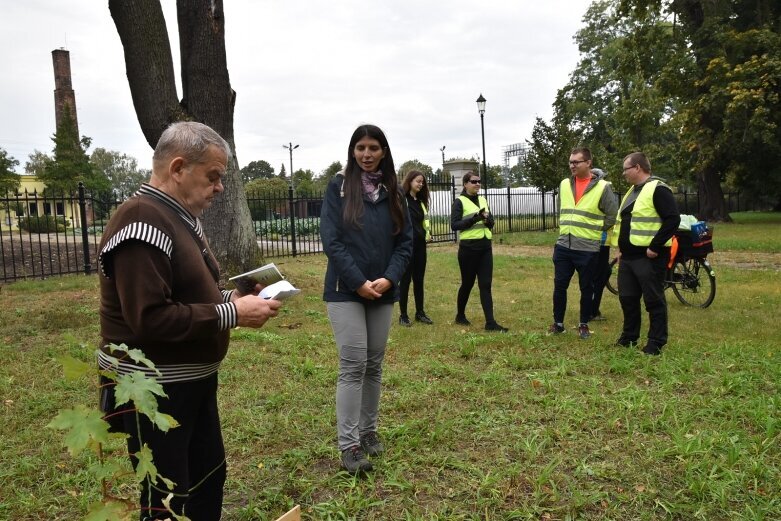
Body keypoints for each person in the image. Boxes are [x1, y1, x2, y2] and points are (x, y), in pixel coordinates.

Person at [97, 121, 281, 520]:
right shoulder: (141, 221)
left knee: (206, 478)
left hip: (188, 383)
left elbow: (185, 292)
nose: (219, 188)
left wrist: (231, 298)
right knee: (167, 498)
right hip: (156, 390)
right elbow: (151, 318)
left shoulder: (175, 215)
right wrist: (232, 313)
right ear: (178, 168)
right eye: (213, 176)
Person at [320, 124, 412, 473]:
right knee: (353, 364)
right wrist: (359, 282)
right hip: (346, 291)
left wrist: (389, 278)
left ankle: (369, 431)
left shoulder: (394, 192)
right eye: (360, 147)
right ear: (353, 151)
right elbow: (332, 240)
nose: (367, 154)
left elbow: (406, 243)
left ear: (384, 152)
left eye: (373, 147)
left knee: (374, 364)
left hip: (383, 291)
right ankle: (350, 445)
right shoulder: (339, 187)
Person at [614, 152, 680, 355]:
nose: (623, 173)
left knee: (653, 300)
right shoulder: (632, 191)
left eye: (626, 169)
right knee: (627, 298)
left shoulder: (658, 189)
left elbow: (672, 219)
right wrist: (620, 250)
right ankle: (629, 337)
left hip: (649, 257)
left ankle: (656, 342)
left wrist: (655, 247)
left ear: (638, 168)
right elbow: (626, 222)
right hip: (628, 257)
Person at [549, 148, 617, 339]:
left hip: (587, 248)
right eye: (570, 162)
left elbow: (612, 215)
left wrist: (594, 230)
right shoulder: (564, 184)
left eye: (576, 162)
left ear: (588, 163)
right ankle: (558, 323)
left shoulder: (603, 187)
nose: (572, 165)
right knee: (559, 285)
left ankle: (584, 323)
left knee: (587, 287)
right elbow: (561, 210)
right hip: (563, 245)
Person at [450, 171, 508, 332]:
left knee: (486, 284)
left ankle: (490, 323)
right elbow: (454, 225)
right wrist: (475, 218)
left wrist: (489, 221)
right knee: (467, 284)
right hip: (468, 249)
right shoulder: (459, 201)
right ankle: (460, 315)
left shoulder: (483, 199)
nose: (477, 184)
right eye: (474, 181)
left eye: (479, 181)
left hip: (485, 247)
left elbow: (491, 221)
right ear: (466, 184)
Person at [398, 169, 433, 326]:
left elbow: (423, 223)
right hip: (406, 247)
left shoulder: (420, 202)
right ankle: (403, 315)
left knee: (419, 280)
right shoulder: (401, 200)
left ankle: (420, 312)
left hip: (420, 247)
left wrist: (427, 234)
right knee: (405, 280)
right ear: (410, 181)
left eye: (422, 182)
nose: (421, 184)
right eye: (418, 181)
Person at [588, 168, 614, 322]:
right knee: (600, 275)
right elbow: (611, 216)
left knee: (597, 275)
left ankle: (591, 308)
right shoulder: (602, 190)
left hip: (591, 240)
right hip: (601, 241)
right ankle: (592, 310)